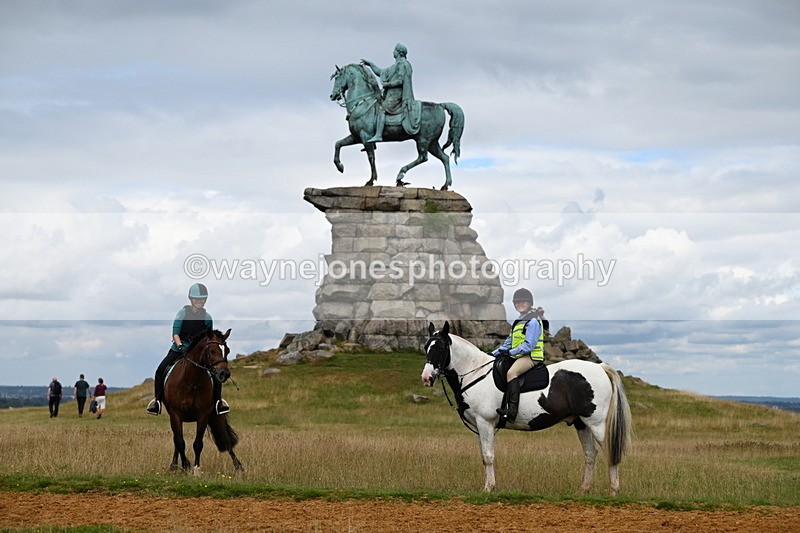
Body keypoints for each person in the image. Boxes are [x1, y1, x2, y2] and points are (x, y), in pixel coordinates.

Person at [146, 283, 230, 416]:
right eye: (196, 299)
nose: (199, 301)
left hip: (198, 352)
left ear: (205, 300)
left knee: (214, 373)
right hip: (179, 348)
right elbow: (175, 334)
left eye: (202, 299)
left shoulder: (207, 318)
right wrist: (180, 346)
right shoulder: (182, 313)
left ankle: (218, 402)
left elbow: (209, 338)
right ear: (191, 299)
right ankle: (157, 402)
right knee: (160, 370)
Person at [490, 288, 547, 422]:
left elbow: (529, 345)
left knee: (511, 373)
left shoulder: (533, 321)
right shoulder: (518, 322)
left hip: (531, 357)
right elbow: (507, 344)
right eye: (518, 302)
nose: (520, 304)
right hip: (519, 355)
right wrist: (491, 354)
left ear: (529, 303)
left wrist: (510, 353)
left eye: (523, 302)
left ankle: (512, 412)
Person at [360, 43, 419, 142]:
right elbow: (381, 72)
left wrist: (388, 85)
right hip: (391, 94)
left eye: (394, 50)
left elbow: (400, 81)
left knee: (381, 108)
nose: (393, 52)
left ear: (399, 52)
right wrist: (370, 64)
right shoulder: (396, 65)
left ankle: (378, 135)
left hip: (397, 95)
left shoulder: (403, 65)